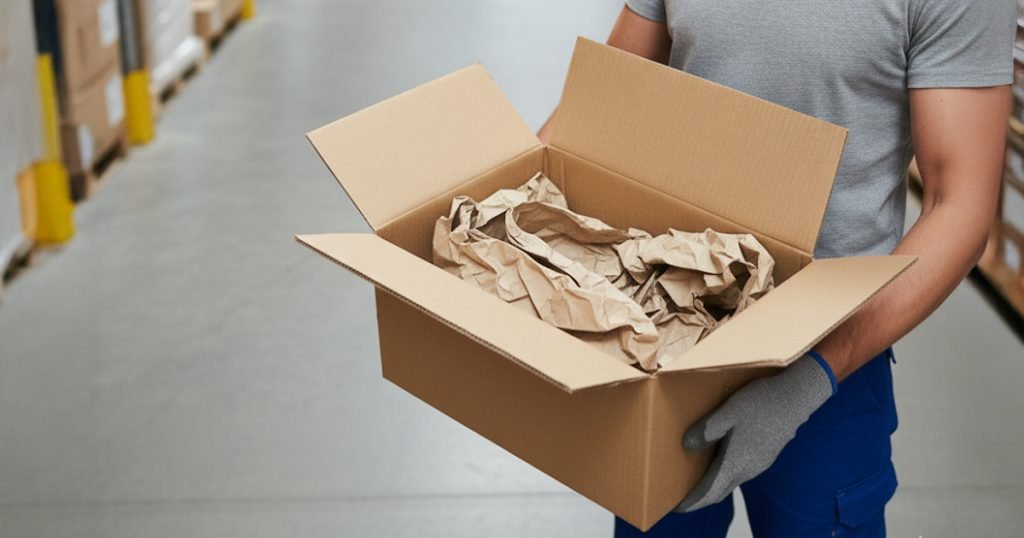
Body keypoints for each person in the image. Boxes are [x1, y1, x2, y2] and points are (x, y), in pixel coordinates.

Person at [538, 1, 1015, 536]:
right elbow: (606, 95)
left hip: (832, 354)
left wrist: (812, 378)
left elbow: (961, 205)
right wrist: (508, 208)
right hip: (666, 325)